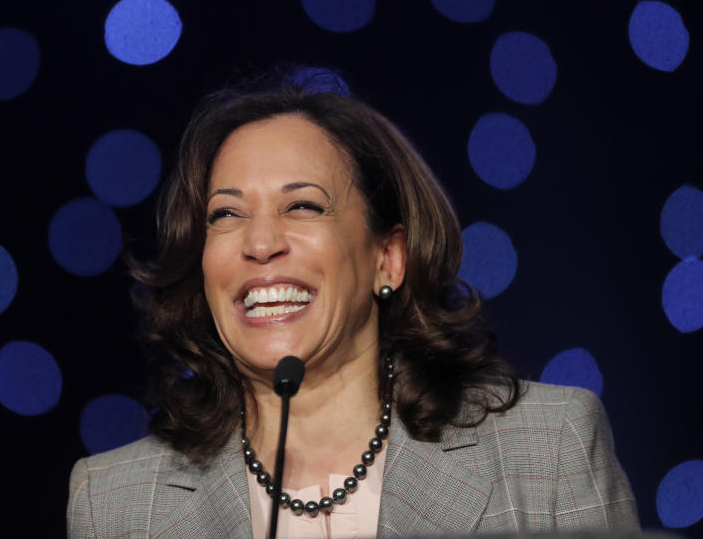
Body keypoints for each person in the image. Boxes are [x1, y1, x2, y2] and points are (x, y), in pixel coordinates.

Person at [67, 69, 639, 538]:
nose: (261, 244)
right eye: (227, 215)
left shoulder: (547, 449)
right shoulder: (117, 505)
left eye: (303, 207)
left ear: (387, 258)